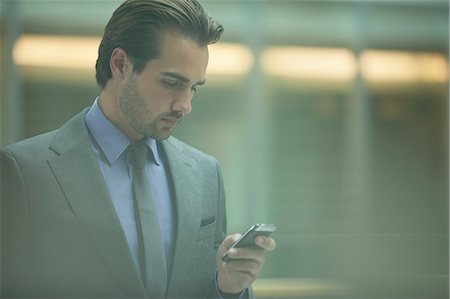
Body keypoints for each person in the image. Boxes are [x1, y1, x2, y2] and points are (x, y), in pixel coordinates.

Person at [0, 0, 276, 298]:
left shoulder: (206, 174)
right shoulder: (25, 171)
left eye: (194, 88)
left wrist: (228, 288)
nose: (185, 105)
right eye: (171, 82)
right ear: (120, 64)